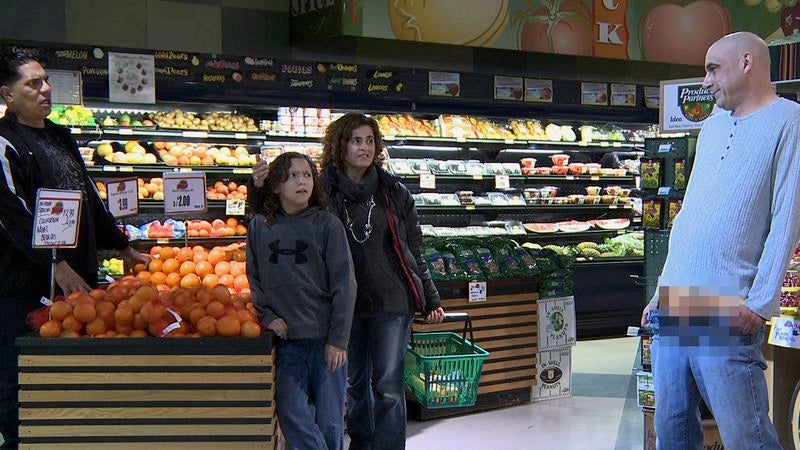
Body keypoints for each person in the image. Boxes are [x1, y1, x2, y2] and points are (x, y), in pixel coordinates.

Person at [640, 32, 800, 450]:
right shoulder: (710, 128)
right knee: (671, 432)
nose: (706, 81)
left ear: (747, 62)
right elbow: (689, 216)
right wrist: (661, 290)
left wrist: (761, 302)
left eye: (713, 68)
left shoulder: (789, 121)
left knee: (747, 436)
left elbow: (787, 218)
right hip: (676, 304)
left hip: (727, 307)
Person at [249, 113, 445, 450]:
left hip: (390, 299)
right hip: (342, 305)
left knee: (387, 386)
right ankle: (362, 443)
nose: (364, 147)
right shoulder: (319, 188)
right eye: (356, 140)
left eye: (370, 140)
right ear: (340, 145)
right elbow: (273, 218)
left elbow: (414, 249)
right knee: (354, 384)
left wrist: (430, 296)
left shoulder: (393, 191)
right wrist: (258, 186)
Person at [0, 54, 149, 448]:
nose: (45, 89)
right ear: (7, 95)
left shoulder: (61, 135)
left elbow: (88, 198)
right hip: (24, 285)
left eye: (46, 81)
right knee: (20, 377)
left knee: (72, 374)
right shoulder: (4, 143)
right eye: (32, 84)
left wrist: (121, 245)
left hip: (78, 282)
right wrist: (56, 264)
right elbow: (14, 216)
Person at [246, 151, 356, 450]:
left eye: (307, 175)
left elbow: (345, 285)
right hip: (288, 342)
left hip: (325, 342)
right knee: (292, 414)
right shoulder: (259, 227)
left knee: (330, 422)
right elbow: (254, 278)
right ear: (276, 185)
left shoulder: (328, 225)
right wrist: (266, 315)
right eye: (292, 176)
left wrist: (339, 339)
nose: (302, 181)